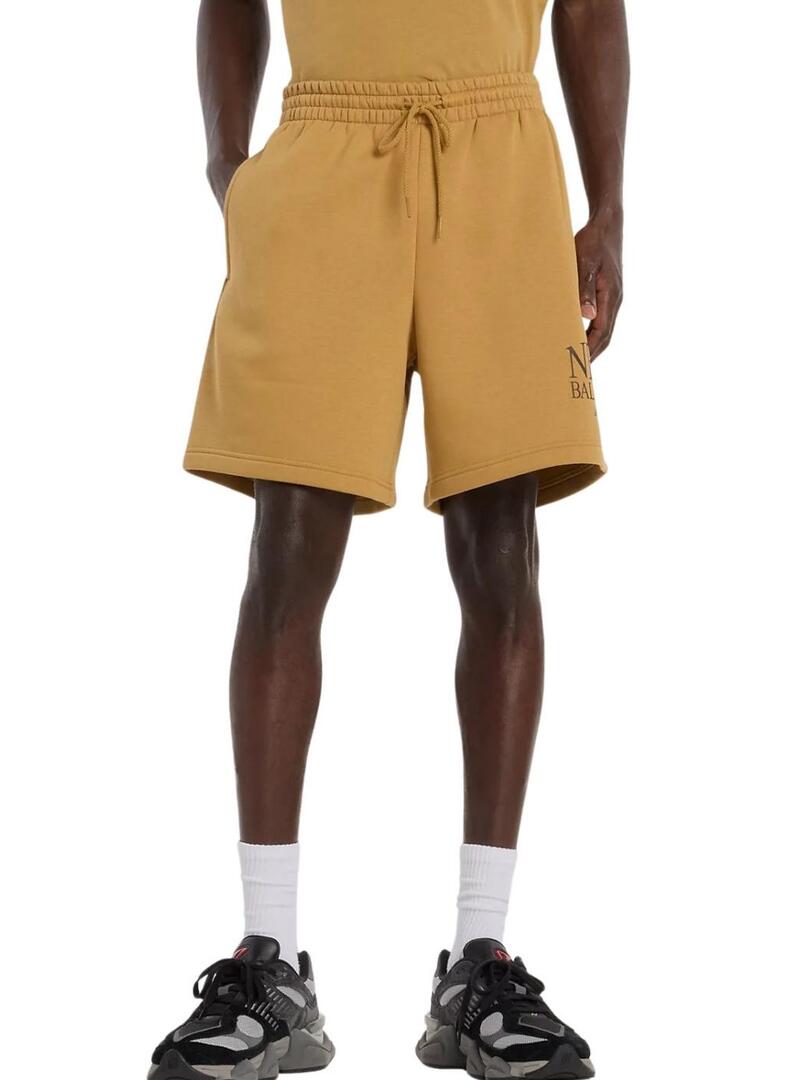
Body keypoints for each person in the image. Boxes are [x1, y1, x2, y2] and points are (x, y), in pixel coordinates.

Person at [148, 0, 628, 1077]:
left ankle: (479, 956)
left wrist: (607, 209)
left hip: (502, 156)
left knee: (502, 551)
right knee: (287, 552)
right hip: (321, 154)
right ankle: (269, 959)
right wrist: (228, 164)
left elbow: (591, 7)